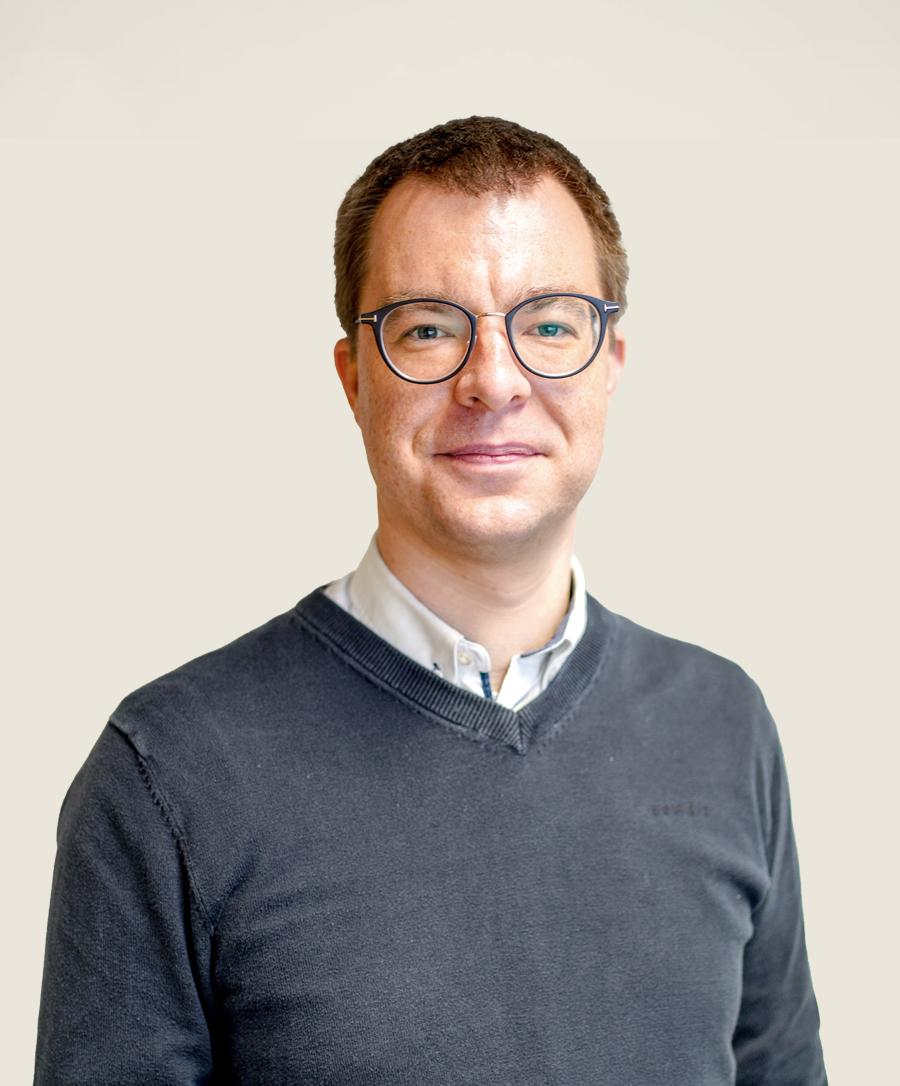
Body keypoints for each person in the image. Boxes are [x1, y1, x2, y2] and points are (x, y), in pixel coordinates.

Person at [34, 116, 828, 1084]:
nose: (492, 382)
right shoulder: (172, 771)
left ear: (611, 365)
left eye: (548, 325)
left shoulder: (721, 723)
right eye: (427, 329)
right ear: (354, 378)